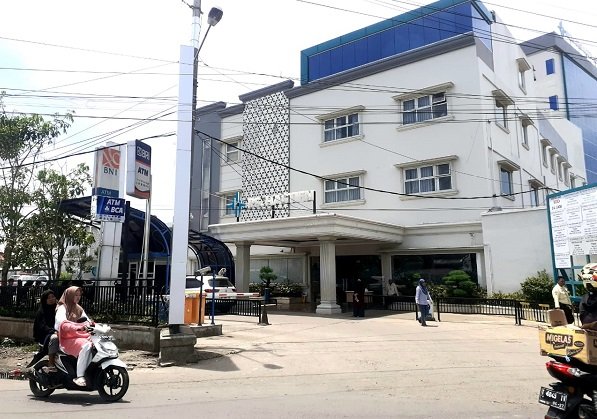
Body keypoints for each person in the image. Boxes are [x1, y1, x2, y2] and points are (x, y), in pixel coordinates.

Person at [54, 286, 93, 387]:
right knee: (86, 346)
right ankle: (80, 376)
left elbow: (87, 320)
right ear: (70, 295)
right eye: (75, 295)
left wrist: (94, 326)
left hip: (79, 336)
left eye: (79, 295)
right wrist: (75, 327)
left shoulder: (78, 308)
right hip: (66, 337)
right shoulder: (62, 308)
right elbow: (61, 323)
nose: (78, 297)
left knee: (94, 344)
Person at [32, 290, 59, 372]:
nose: (51, 299)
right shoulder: (42, 311)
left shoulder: (59, 309)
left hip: (60, 331)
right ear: (45, 300)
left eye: (53, 297)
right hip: (46, 334)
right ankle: (51, 364)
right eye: (49, 298)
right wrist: (53, 331)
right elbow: (42, 326)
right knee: (55, 338)